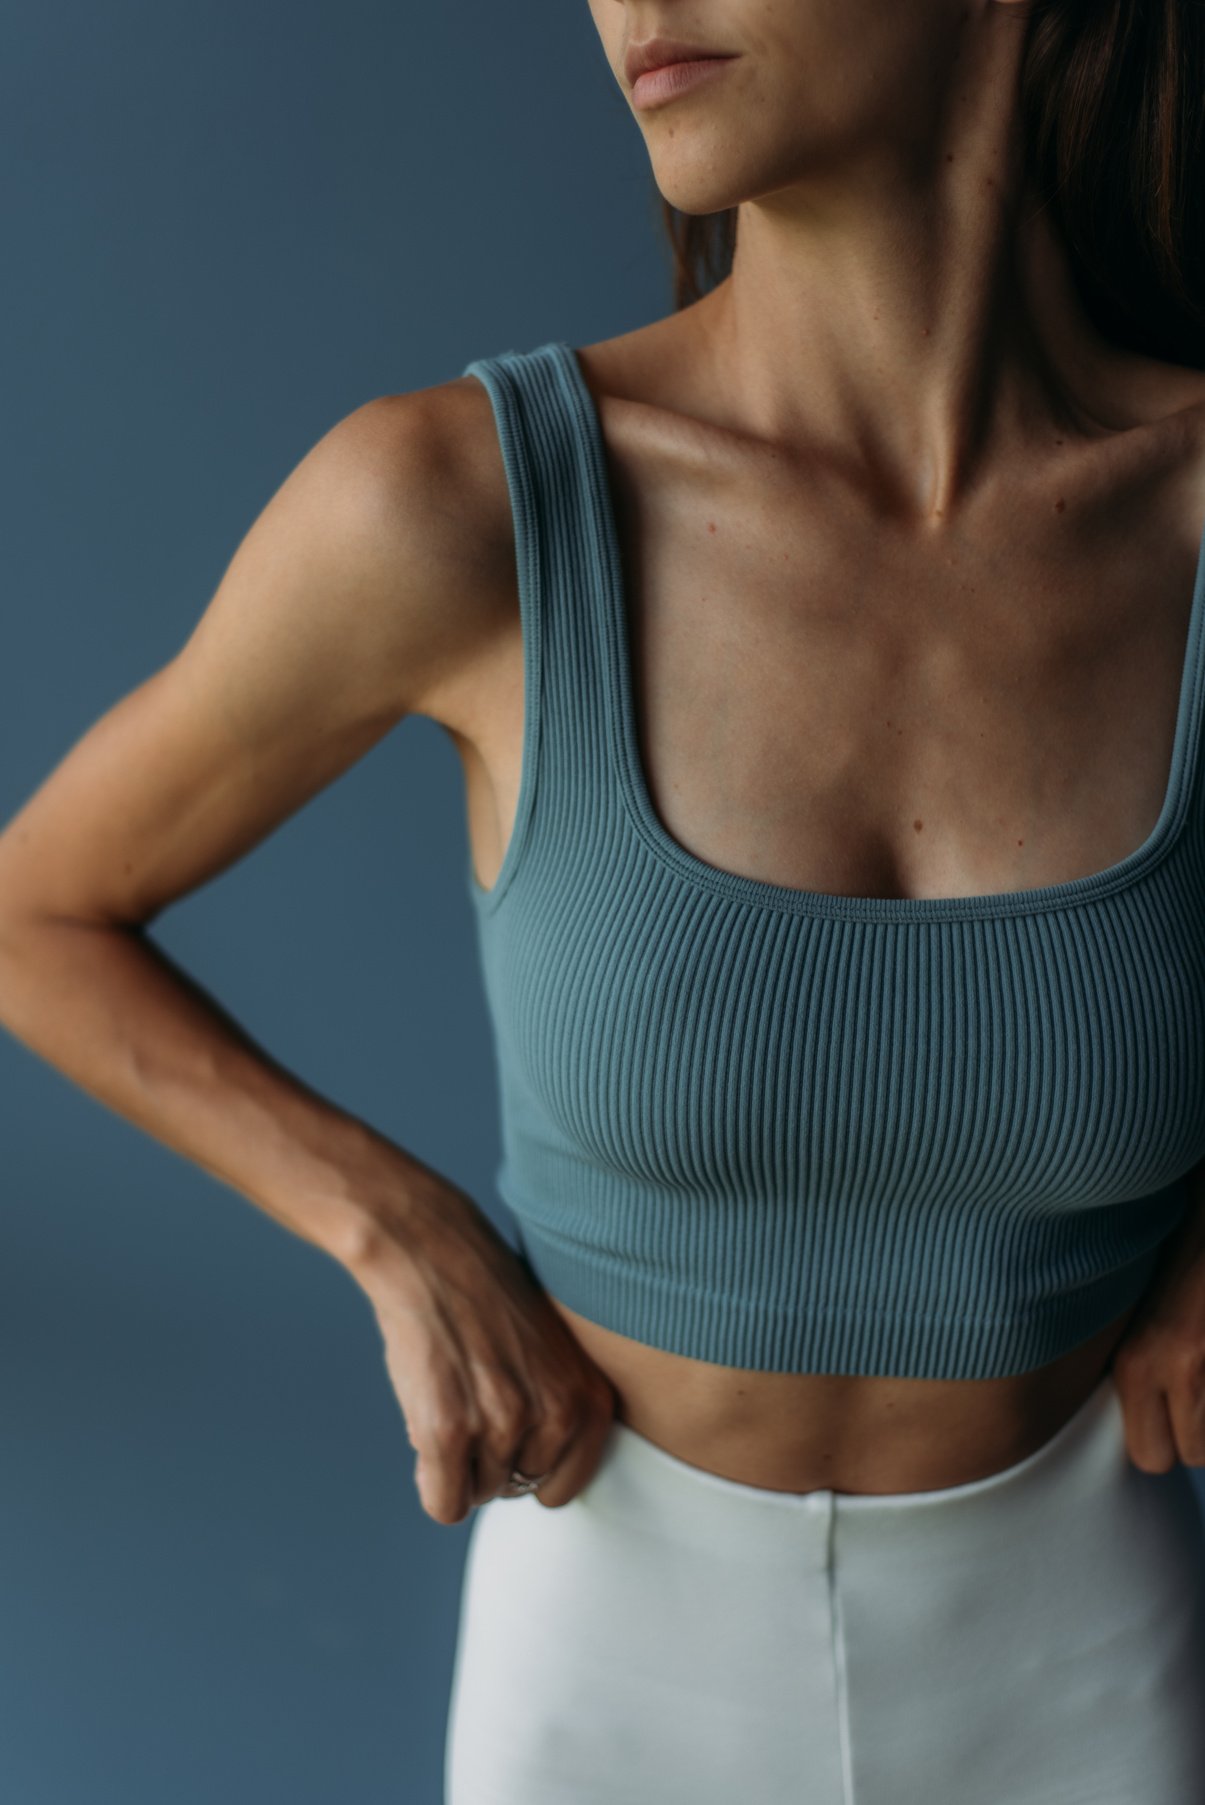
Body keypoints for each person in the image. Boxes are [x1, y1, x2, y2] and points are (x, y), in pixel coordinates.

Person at [2, 1, 1205, 1800]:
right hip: (610, 1675)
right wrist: (388, 1224)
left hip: (1087, 1660)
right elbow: (36, 909)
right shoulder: (461, 505)